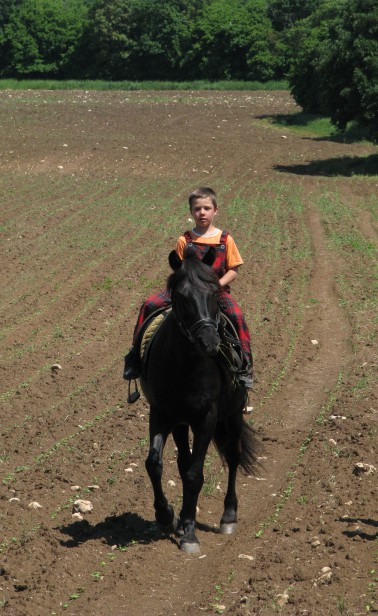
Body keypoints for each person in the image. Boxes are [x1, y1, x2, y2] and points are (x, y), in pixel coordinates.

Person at [123, 187, 253, 388]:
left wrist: (213, 286)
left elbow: (234, 269)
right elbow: (179, 271)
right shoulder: (185, 240)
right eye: (197, 208)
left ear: (215, 211)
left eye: (207, 208)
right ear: (191, 212)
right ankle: (134, 359)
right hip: (186, 292)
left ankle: (245, 365)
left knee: (236, 316)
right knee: (149, 304)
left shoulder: (225, 240)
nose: (202, 212)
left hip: (214, 292)